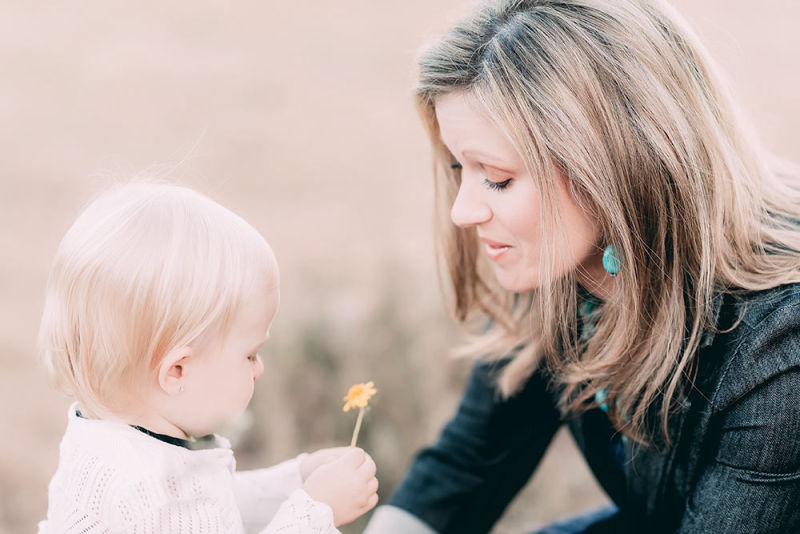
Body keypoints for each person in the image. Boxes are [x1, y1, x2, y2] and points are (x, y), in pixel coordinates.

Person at [364, 0, 800, 532]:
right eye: (460, 167)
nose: (463, 211)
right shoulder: (557, 271)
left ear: (616, 165)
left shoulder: (780, 342)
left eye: (497, 176)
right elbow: (466, 469)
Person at [37, 182, 379, 533]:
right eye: (250, 354)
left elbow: (214, 505)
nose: (259, 369)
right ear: (177, 372)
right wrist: (315, 513)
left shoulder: (120, 440)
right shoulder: (140, 487)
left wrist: (296, 480)